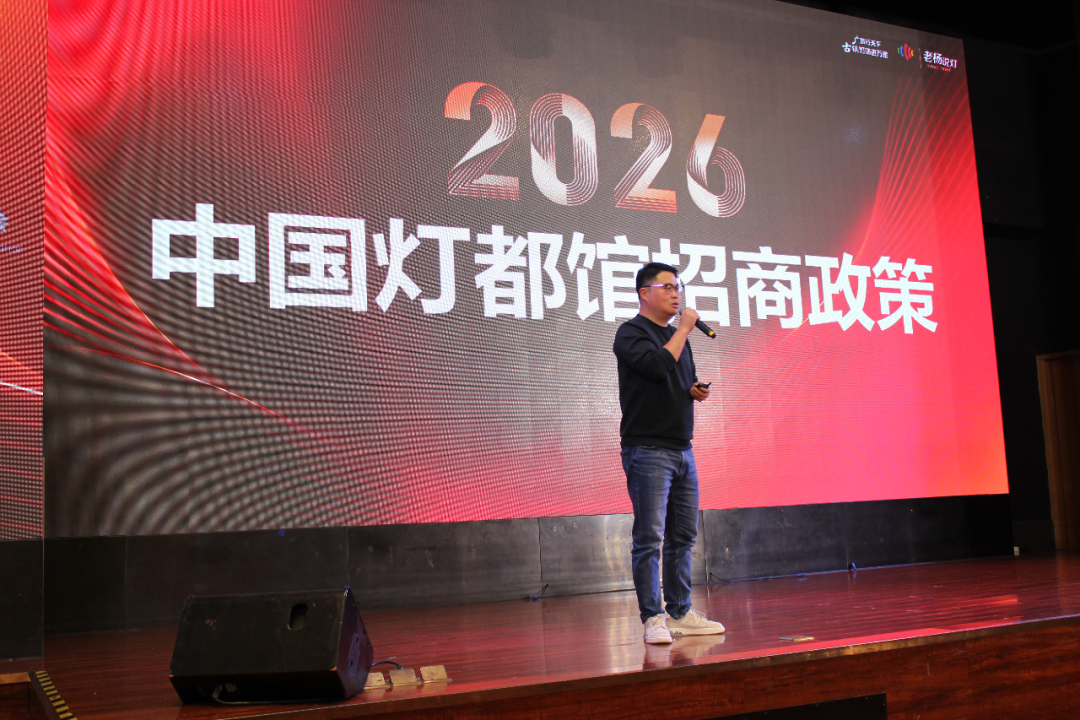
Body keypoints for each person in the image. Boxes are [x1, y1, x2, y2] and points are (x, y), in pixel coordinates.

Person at [612, 262, 726, 644]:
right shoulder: (631, 333)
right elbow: (657, 367)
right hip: (647, 450)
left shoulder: (679, 337)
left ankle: (680, 612)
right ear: (645, 293)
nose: (676, 294)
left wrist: (694, 390)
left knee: (683, 535)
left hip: (682, 449)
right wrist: (683, 329)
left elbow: (678, 377)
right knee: (650, 537)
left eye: (678, 287)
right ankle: (653, 618)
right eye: (668, 287)